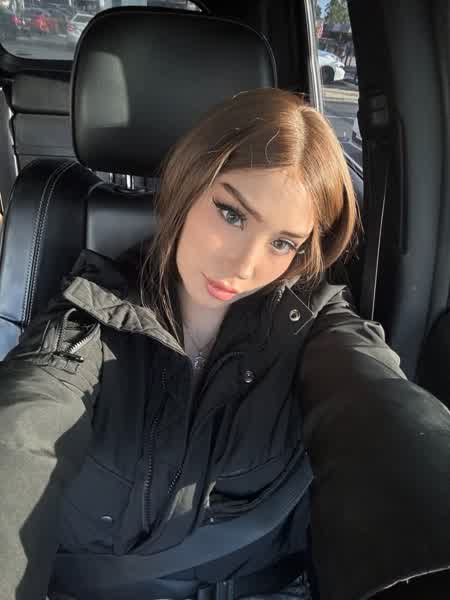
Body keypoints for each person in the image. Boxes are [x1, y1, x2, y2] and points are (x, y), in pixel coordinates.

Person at [0, 88, 449, 600]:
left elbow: (378, 403)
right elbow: (23, 431)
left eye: (282, 242)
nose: (244, 266)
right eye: (232, 214)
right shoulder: (89, 314)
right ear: (189, 182)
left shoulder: (316, 326)